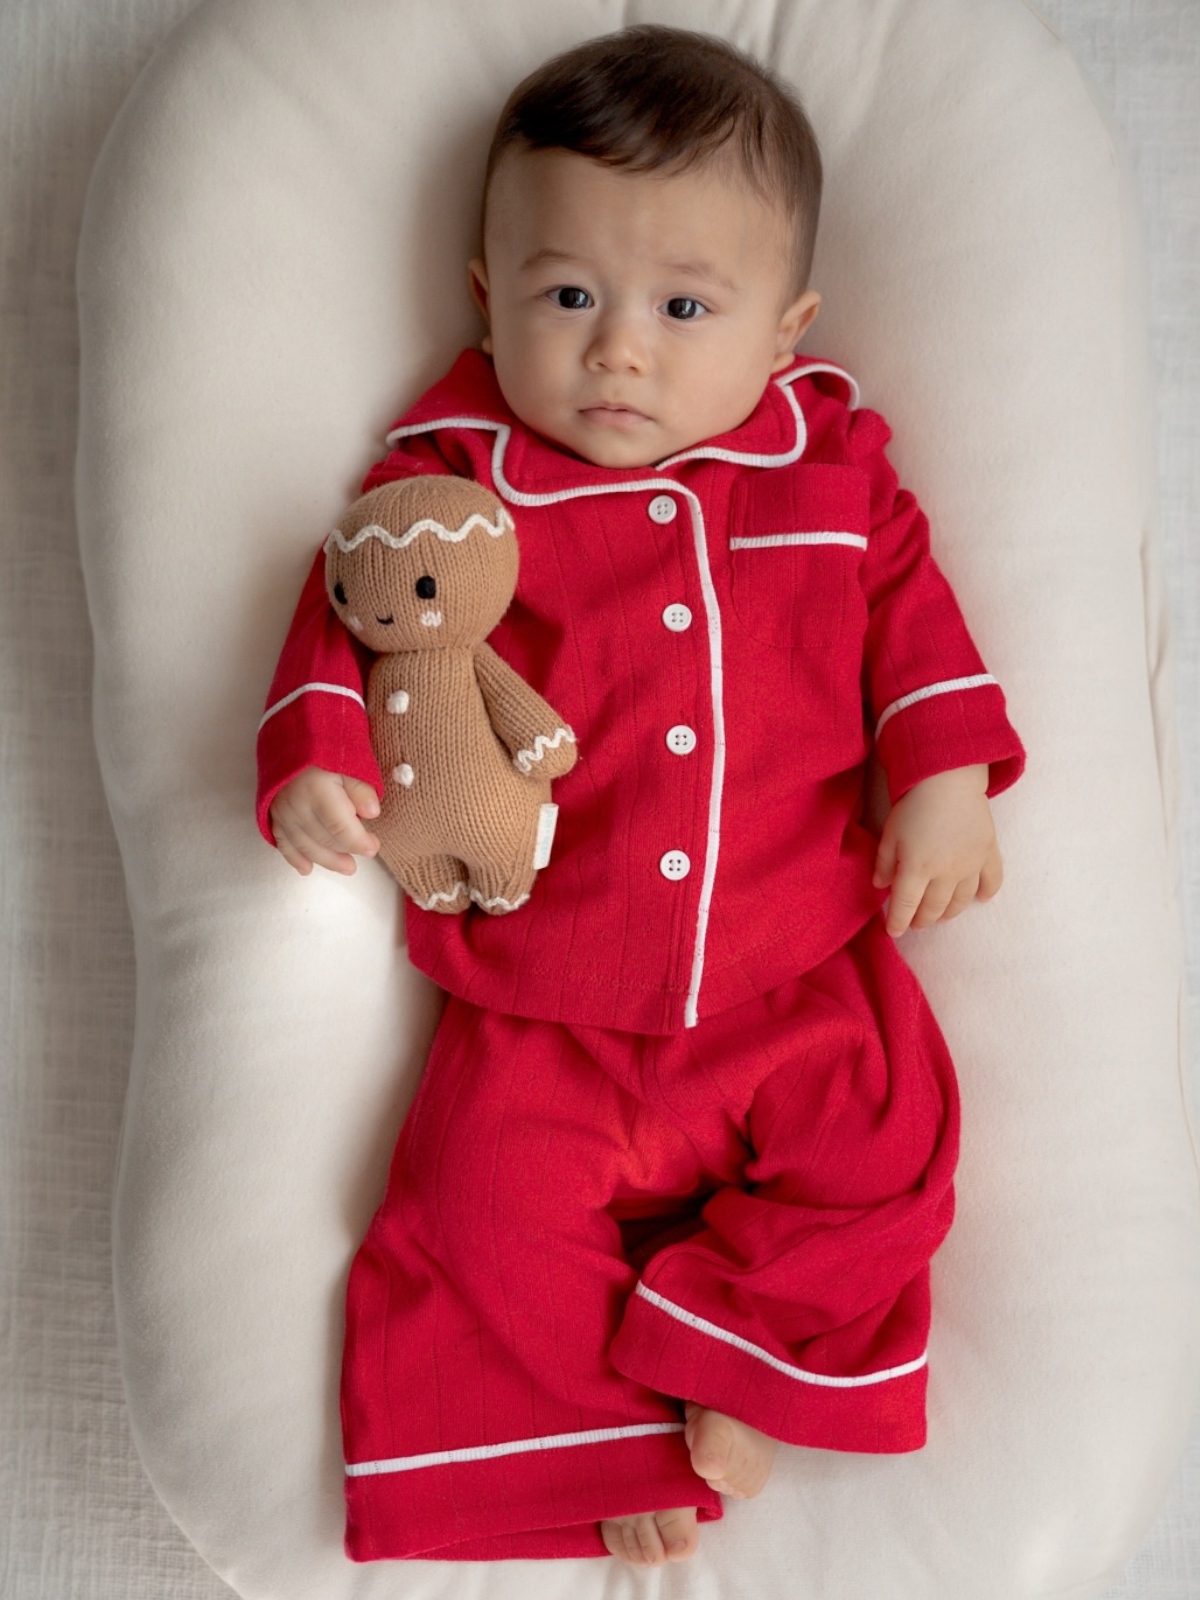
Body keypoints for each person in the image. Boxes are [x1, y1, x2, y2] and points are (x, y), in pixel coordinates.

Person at [256, 24, 1025, 1568]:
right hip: (543, 993)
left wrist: (943, 780)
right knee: (473, 1207)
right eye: (568, 297)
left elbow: (910, 612)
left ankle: (736, 1347)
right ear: (489, 295)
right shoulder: (455, 480)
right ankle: (603, 1430)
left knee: (895, 1152)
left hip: (790, 964)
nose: (619, 350)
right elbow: (357, 611)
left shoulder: (827, 470)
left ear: (786, 332)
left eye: (684, 307)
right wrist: (317, 757)